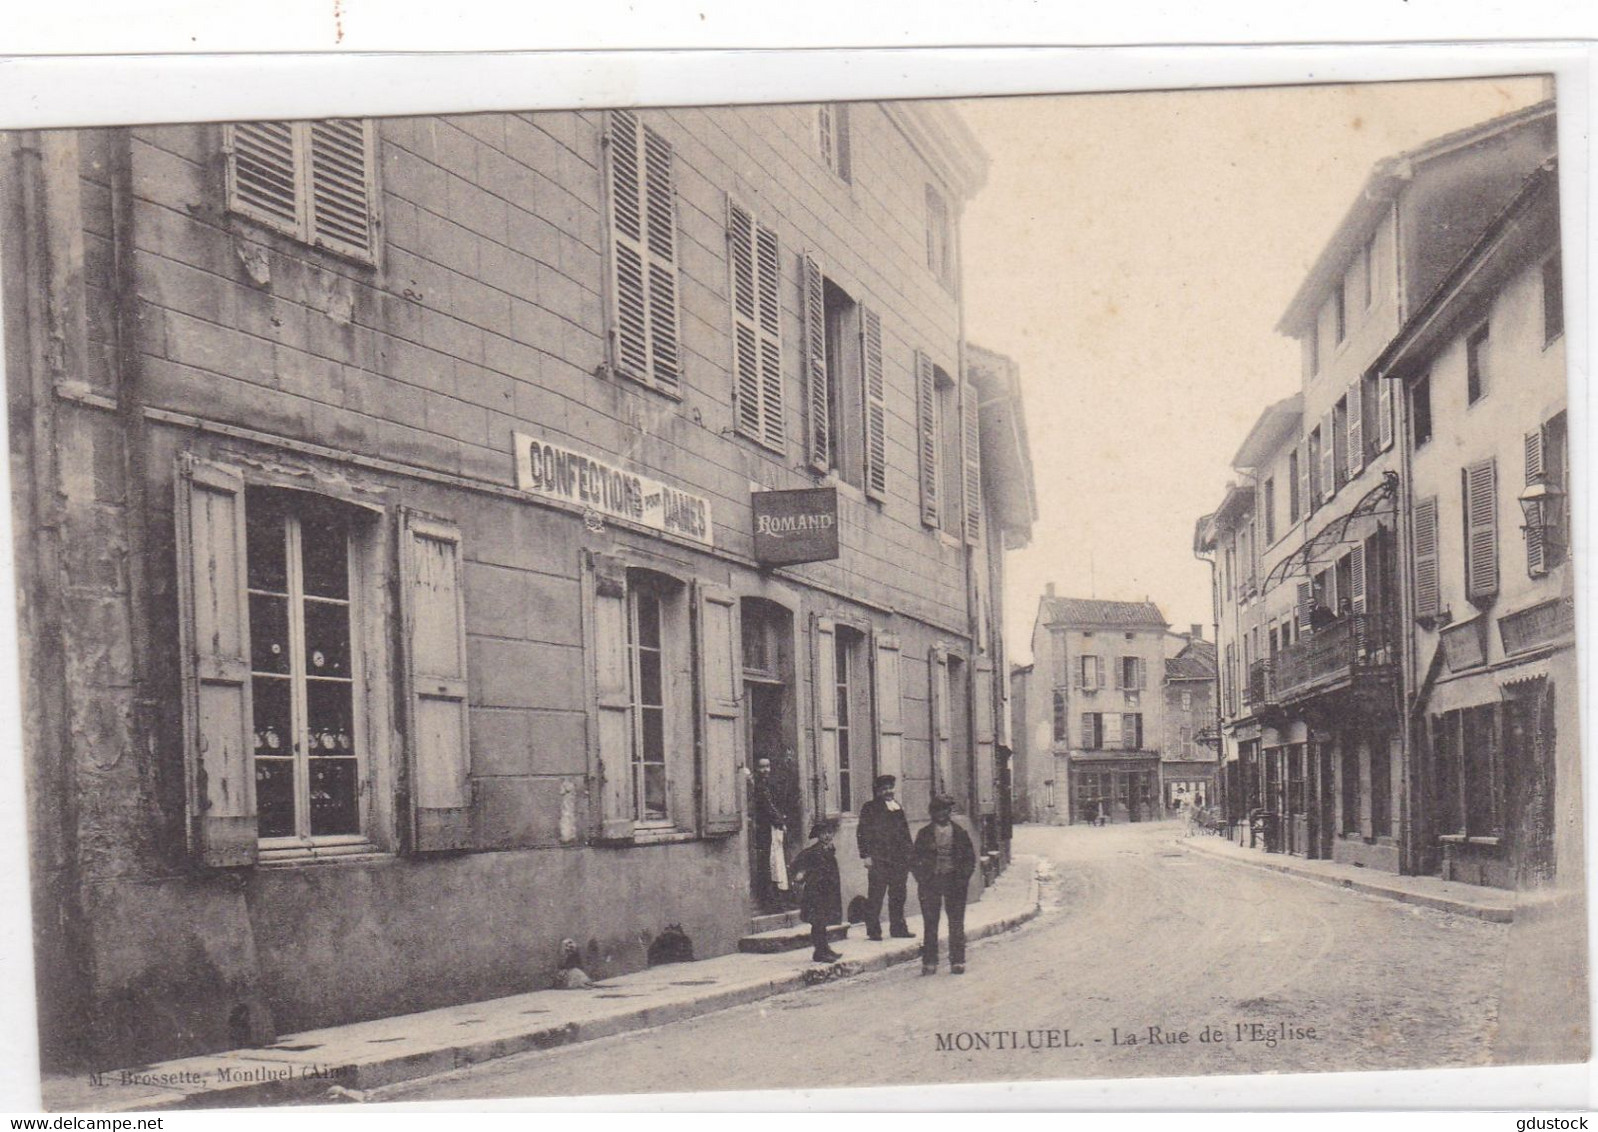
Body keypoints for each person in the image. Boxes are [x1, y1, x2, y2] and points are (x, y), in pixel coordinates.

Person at [911, 795, 977, 975]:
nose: (942, 814)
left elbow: (970, 859)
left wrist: (963, 878)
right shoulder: (924, 834)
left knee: (956, 922)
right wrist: (922, 879)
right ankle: (930, 961)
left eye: (946, 810)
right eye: (938, 810)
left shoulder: (960, 832)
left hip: (954, 882)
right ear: (933, 813)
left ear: (950, 812)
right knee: (930, 922)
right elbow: (915, 859)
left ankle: (957, 960)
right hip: (931, 882)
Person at [856, 774, 915, 941]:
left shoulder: (897, 807)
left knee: (898, 894)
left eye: (891, 788)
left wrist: (910, 855)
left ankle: (898, 928)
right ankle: (873, 930)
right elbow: (862, 833)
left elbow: (905, 834)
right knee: (876, 895)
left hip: (899, 860)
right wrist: (866, 855)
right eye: (885, 789)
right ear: (878, 791)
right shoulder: (869, 808)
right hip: (879, 859)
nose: (889, 791)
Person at [791, 818, 844, 963]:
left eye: (830, 833)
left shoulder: (830, 850)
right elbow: (797, 868)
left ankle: (824, 949)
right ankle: (820, 951)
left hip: (827, 893)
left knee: (823, 922)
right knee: (818, 923)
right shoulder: (812, 852)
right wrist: (801, 875)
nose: (827, 836)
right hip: (815, 893)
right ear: (818, 835)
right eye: (824, 833)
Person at [748, 758, 788, 910]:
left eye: (768, 766)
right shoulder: (758, 785)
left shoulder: (768, 784)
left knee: (774, 862)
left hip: (769, 828)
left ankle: (775, 898)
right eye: (762, 767)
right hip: (763, 829)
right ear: (756, 768)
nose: (765, 770)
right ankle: (768, 900)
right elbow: (767, 805)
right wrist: (780, 822)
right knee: (768, 863)